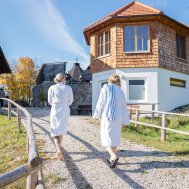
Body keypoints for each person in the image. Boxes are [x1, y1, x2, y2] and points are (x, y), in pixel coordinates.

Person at [93, 74, 130, 168]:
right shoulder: (121, 91)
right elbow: (124, 107)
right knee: (114, 137)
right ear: (119, 82)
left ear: (110, 80)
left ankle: (113, 155)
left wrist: (96, 114)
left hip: (108, 115)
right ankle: (112, 159)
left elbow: (101, 102)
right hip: (118, 116)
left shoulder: (106, 87)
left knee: (105, 137)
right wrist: (125, 120)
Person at [48, 73, 73, 160]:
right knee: (61, 129)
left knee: (55, 129)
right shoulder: (68, 88)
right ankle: (59, 148)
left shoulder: (52, 88)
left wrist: (56, 104)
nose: (66, 79)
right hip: (65, 109)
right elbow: (71, 101)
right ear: (63, 79)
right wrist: (65, 104)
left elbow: (49, 101)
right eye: (65, 78)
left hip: (55, 109)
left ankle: (58, 149)